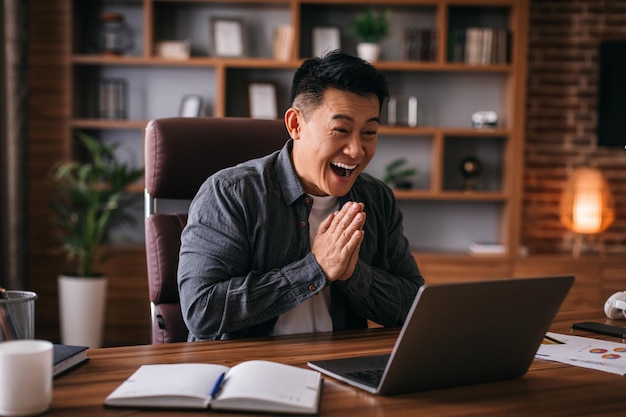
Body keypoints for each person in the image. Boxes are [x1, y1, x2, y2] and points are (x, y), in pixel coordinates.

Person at [178, 50, 424, 341]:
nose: (357, 150)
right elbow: (202, 311)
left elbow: (413, 305)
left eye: (369, 132)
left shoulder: (377, 199)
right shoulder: (232, 193)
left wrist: (352, 275)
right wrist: (315, 269)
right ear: (295, 125)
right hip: (248, 371)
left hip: (340, 367)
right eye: (341, 130)